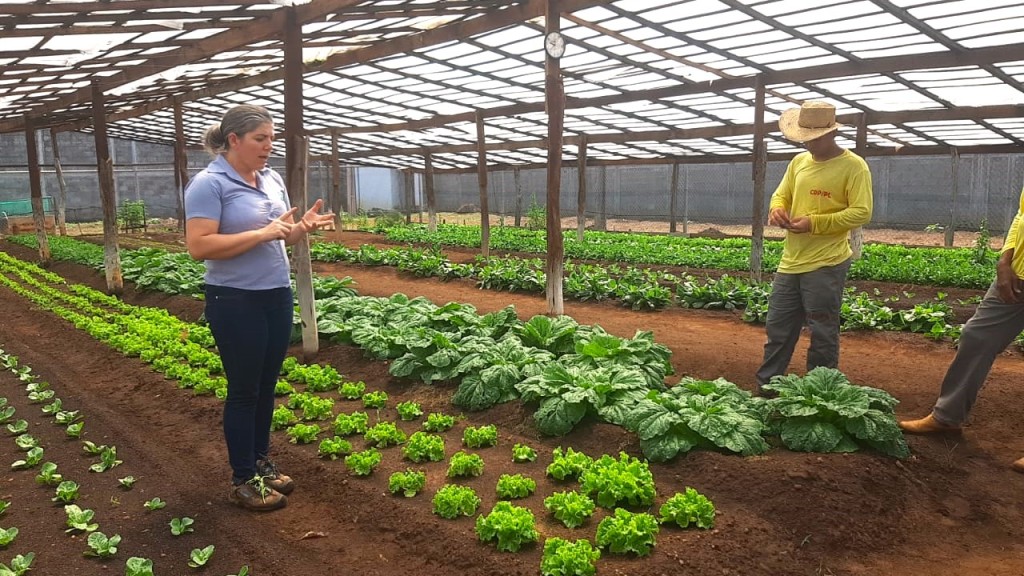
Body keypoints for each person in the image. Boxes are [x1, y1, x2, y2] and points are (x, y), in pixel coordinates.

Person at [184, 104, 334, 511]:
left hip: (275, 293)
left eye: (272, 139)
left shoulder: (271, 179)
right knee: (244, 390)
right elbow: (199, 246)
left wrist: (299, 229)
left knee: (267, 386)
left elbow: (279, 235)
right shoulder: (209, 183)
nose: (269, 146)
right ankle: (242, 479)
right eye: (260, 139)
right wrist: (262, 233)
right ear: (234, 140)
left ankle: (261, 462)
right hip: (235, 299)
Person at [900, 186, 1024, 473]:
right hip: (1016, 274)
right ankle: (947, 417)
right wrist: (1004, 260)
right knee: (977, 336)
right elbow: (1021, 215)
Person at [755, 101, 873, 393]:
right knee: (778, 328)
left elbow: (861, 212)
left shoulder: (853, 166)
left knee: (822, 331)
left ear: (832, 133)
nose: (808, 143)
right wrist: (777, 209)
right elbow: (780, 195)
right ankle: (767, 388)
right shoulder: (799, 162)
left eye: (814, 138)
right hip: (791, 261)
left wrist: (814, 223)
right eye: (804, 138)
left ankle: (820, 393)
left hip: (827, 262)